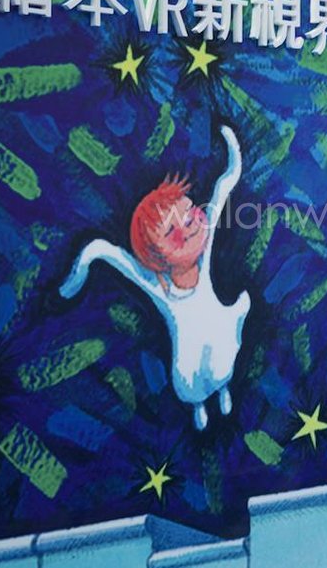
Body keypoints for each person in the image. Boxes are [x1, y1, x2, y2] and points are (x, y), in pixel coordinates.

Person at [60, 126, 251, 430]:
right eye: (172, 231)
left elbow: (225, 184)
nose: (189, 227)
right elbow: (103, 250)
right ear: (155, 255)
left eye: (190, 214)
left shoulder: (205, 250)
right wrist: (73, 282)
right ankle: (199, 406)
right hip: (188, 352)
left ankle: (224, 391)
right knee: (191, 384)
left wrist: (231, 143)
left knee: (221, 366)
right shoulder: (155, 284)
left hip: (217, 332)